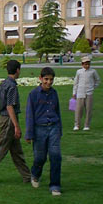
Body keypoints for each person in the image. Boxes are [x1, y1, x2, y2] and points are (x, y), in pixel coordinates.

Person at [26, 67, 63, 196]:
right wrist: (29, 134)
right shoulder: (33, 94)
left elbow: (57, 111)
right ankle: (35, 173)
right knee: (40, 157)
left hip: (53, 127)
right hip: (39, 129)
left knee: (56, 156)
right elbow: (29, 115)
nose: (48, 82)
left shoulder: (54, 93)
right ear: (40, 78)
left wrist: (59, 130)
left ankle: (55, 185)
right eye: (46, 79)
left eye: (51, 80)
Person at [72, 56, 100, 131]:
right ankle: (77, 125)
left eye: (88, 64)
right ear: (82, 64)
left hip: (89, 93)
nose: (87, 66)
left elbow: (97, 80)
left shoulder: (93, 71)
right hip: (80, 92)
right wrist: (74, 92)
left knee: (88, 110)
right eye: (85, 64)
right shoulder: (79, 72)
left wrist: (93, 87)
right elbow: (76, 83)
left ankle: (87, 125)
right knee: (78, 110)